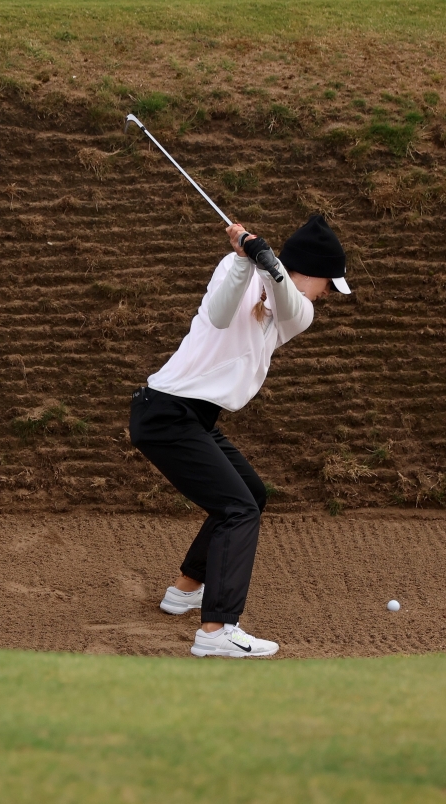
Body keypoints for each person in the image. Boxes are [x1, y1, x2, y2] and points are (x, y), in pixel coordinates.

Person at [129, 213, 350, 657]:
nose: (328, 293)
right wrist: (245, 260)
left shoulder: (298, 311)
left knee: (249, 493)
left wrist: (267, 262)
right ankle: (217, 630)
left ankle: (186, 589)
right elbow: (219, 313)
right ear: (309, 269)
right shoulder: (234, 272)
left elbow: (287, 302)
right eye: (329, 282)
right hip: (165, 411)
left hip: (195, 419)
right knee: (238, 509)